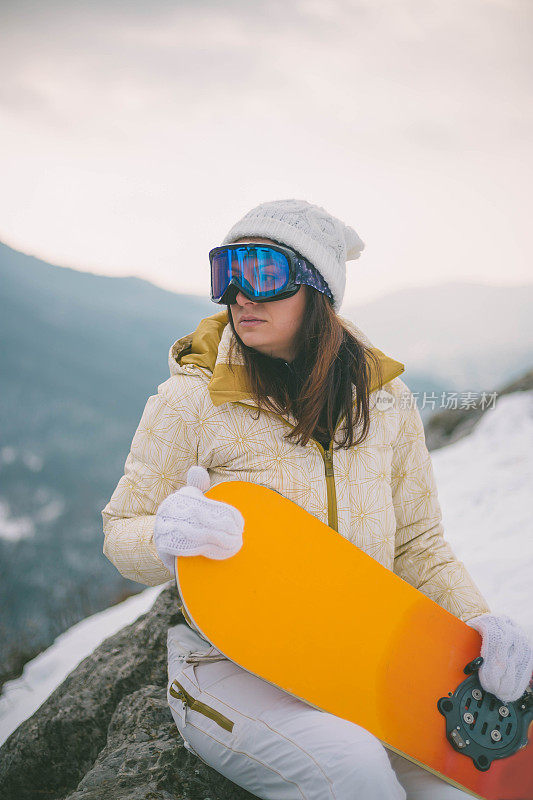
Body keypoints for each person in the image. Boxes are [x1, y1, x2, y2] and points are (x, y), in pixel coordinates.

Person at [101, 199, 533, 800]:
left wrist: (476, 625)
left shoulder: (385, 403)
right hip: (227, 667)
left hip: (358, 664)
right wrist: (165, 537)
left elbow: (418, 543)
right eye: (225, 273)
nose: (239, 295)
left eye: (264, 273)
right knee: (350, 772)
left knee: (455, 792)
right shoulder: (190, 400)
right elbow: (122, 528)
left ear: (317, 290)